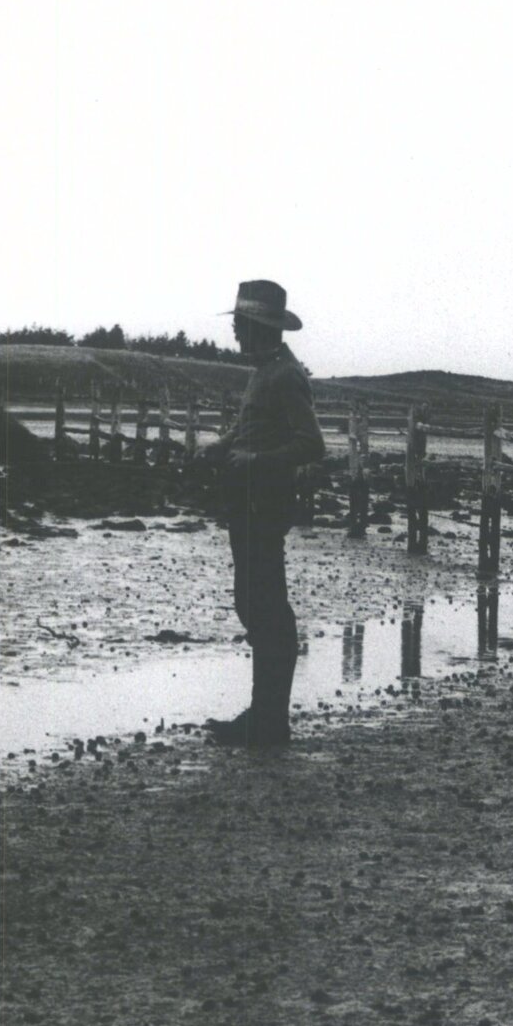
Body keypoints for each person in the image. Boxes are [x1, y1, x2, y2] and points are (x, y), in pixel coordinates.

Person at [195, 280, 327, 748]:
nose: (234, 335)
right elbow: (251, 426)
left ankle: (270, 723)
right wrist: (224, 446)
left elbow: (312, 444)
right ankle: (264, 716)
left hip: (264, 503)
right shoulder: (264, 370)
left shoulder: (285, 375)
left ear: (257, 327)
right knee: (254, 603)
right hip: (247, 502)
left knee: (265, 608)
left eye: (238, 326)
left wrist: (253, 461)